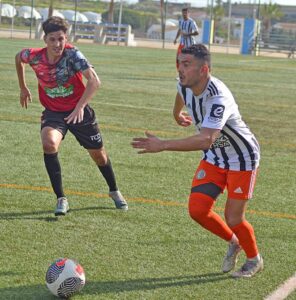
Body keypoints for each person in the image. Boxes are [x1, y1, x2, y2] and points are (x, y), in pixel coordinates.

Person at [132, 44, 263, 278]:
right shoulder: (185, 83)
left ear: (203, 70)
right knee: (198, 210)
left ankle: (254, 259)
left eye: (186, 64)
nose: (180, 70)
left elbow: (205, 139)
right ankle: (234, 242)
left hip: (241, 158)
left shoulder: (218, 98)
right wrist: (176, 113)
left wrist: (162, 145)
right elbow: (180, 92)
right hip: (215, 156)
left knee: (233, 217)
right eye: (179, 63)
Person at [15, 16, 128, 216]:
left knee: (99, 156)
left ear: (66, 38)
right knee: (49, 143)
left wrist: (80, 107)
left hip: (80, 112)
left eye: (61, 39)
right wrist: (23, 87)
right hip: (53, 113)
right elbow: (18, 57)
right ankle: (61, 198)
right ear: (45, 40)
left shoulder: (73, 54)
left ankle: (114, 190)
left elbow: (94, 81)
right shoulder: (34, 56)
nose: (58, 44)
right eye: (53, 39)